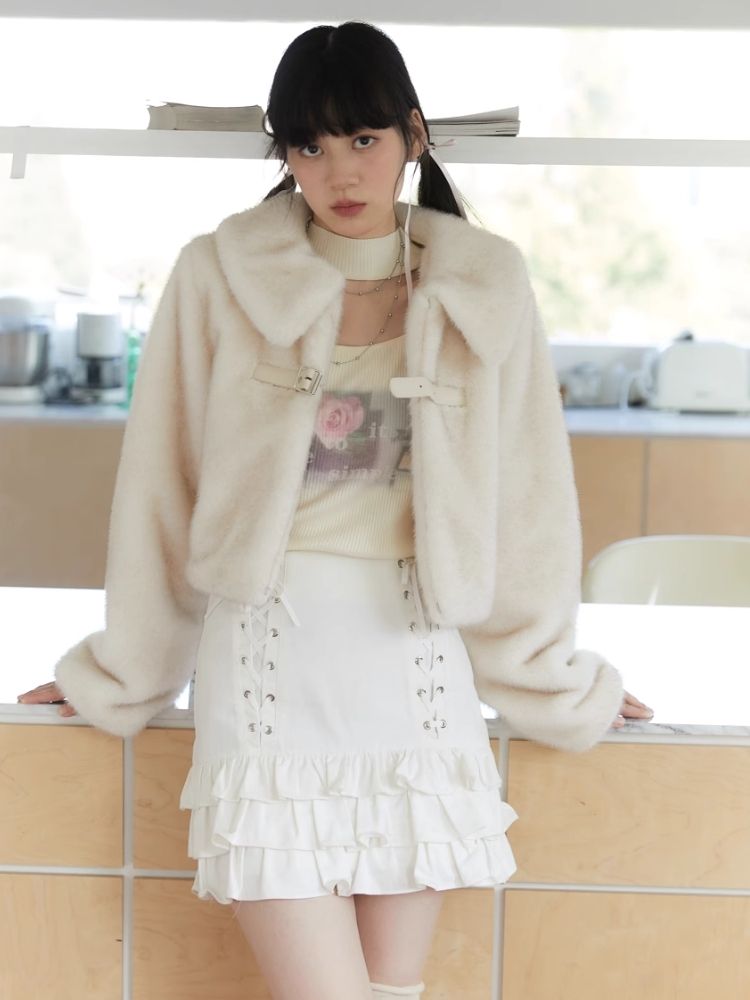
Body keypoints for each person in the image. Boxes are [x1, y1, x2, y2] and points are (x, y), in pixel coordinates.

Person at [17, 20, 653, 1000]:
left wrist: (556, 677)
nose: (339, 171)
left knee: (392, 993)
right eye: (309, 146)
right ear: (284, 156)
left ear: (413, 135)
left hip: (417, 671)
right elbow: (161, 488)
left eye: (362, 138)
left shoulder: (483, 285)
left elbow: (527, 503)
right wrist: (124, 668)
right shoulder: (219, 274)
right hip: (269, 667)